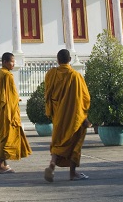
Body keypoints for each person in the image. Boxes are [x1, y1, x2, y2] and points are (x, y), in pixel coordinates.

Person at [43, 49, 91, 182]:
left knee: (58, 141)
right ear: (70, 59)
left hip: (58, 116)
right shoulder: (76, 76)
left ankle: (52, 163)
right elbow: (85, 98)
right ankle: (72, 173)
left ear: (57, 60)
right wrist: (84, 115)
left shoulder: (51, 74)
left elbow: (47, 94)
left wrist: (50, 110)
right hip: (74, 117)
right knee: (75, 143)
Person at [0, 52, 32, 173]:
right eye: (11, 61)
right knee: (8, 138)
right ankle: (0, 165)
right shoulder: (7, 76)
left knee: (4, 138)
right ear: (4, 62)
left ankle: (4, 163)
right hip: (8, 112)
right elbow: (11, 96)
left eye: (14, 61)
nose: (13, 64)